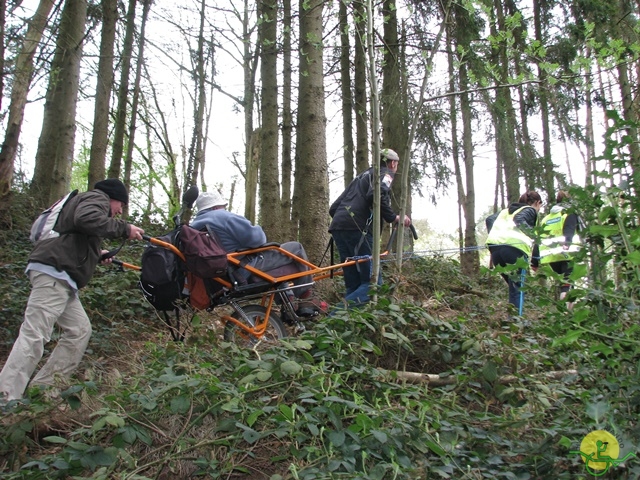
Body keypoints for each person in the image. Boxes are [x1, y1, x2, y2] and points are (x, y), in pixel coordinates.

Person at [0, 179, 145, 402]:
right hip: (54, 274)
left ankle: (43, 392)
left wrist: (98, 253)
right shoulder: (96, 198)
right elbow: (85, 219)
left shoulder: (88, 203)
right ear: (113, 198)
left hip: (63, 279)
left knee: (79, 331)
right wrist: (124, 229)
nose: (119, 212)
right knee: (35, 334)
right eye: (121, 206)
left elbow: (76, 233)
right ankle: (6, 396)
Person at [189, 191, 317, 313]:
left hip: (222, 278)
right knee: (296, 248)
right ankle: (305, 299)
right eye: (222, 206)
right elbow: (258, 239)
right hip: (243, 269)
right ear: (216, 207)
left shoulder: (193, 227)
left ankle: (289, 302)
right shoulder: (222, 217)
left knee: (279, 262)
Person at [329, 148, 411, 306]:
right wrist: (393, 217)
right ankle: (333, 317)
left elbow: (334, 208)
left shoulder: (362, 176)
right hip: (358, 229)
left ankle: (342, 325)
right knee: (373, 284)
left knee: (354, 284)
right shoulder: (386, 174)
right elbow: (376, 194)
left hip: (339, 227)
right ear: (393, 163)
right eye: (396, 164)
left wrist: (346, 221)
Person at [485, 190, 542, 315]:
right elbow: (520, 219)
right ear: (537, 203)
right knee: (518, 288)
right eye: (540, 206)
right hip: (514, 252)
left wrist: (496, 237)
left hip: (496, 251)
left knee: (514, 286)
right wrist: (532, 235)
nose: (539, 209)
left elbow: (489, 219)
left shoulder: (505, 211)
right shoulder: (530, 210)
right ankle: (516, 324)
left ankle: (512, 318)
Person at [532, 191, 582, 307]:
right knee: (568, 284)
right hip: (566, 254)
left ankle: (566, 312)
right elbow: (569, 229)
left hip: (550, 258)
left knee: (564, 284)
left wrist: (534, 261)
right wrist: (567, 243)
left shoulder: (546, 219)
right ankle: (567, 315)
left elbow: (538, 240)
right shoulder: (568, 214)